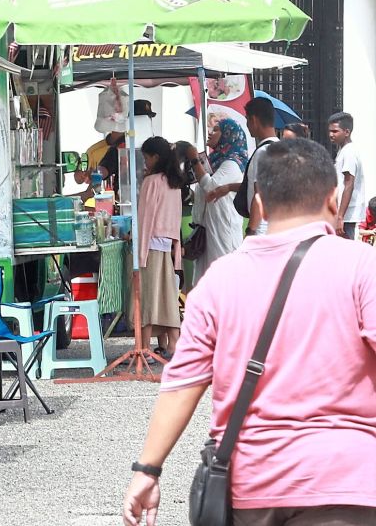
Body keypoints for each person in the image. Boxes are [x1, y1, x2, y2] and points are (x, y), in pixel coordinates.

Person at [123, 139, 376, 526]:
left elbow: (182, 382)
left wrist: (148, 470)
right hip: (346, 482)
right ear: (332, 199)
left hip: (252, 486)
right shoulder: (363, 268)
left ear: (258, 205)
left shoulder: (219, 279)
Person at [183, 119, 247, 284]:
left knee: (221, 282)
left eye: (217, 130)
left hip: (222, 232)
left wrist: (195, 160)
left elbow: (211, 186)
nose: (211, 132)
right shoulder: (215, 160)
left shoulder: (233, 163)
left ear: (228, 135)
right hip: (206, 233)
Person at [137, 137, 185, 358]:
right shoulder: (173, 182)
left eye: (146, 157)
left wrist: (140, 254)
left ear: (155, 157)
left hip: (150, 245)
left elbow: (145, 219)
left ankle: (144, 346)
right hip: (168, 247)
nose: (145, 162)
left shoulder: (152, 182)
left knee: (147, 297)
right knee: (167, 297)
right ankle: (173, 343)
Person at [210, 97, 278, 236]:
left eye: (247, 120)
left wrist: (251, 231)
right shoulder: (283, 149)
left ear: (253, 120)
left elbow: (260, 194)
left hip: (262, 230)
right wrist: (229, 187)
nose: (246, 125)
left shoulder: (262, 153)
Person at [328, 112, 365, 239]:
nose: (331, 135)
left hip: (347, 216)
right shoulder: (343, 151)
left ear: (347, 132)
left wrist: (340, 216)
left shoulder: (349, 152)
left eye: (335, 131)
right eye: (330, 131)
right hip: (344, 215)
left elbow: (349, 184)